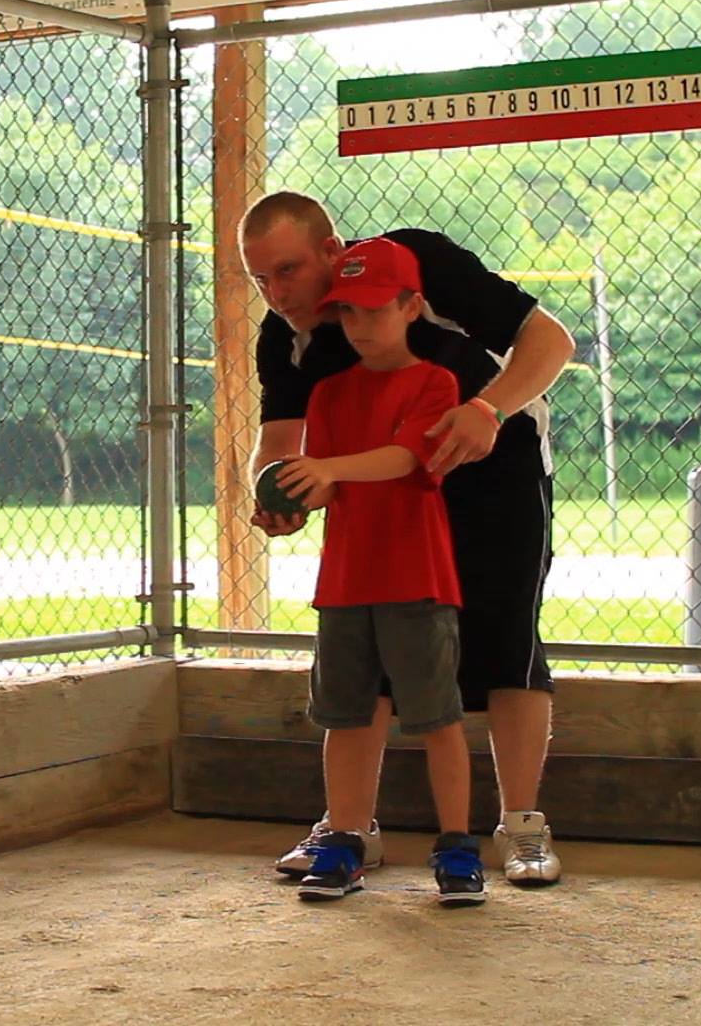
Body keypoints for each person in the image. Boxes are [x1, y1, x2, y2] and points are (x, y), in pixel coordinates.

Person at [241, 191, 575, 886]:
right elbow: (278, 442)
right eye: (260, 278)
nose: (276, 293)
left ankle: (521, 826)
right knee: (371, 652)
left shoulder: (415, 264)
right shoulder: (287, 337)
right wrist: (276, 495)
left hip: (495, 471)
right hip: (382, 497)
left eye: (289, 270)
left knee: (507, 641)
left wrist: (488, 409)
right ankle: (350, 828)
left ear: (332, 251)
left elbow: (550, 341)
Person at [278, 236, 483, 906]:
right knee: (345, 716)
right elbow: (326, 484)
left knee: (436, 716)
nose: (360, 325)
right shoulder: (329, 393)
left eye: (375, 309)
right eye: (348, 311)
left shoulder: (435, 382)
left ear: (410, 307)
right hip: (346, 580)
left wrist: (326, 469)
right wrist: (291, 503)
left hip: (416, 577)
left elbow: (404, 458)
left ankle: (457, 847)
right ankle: (345, 839)